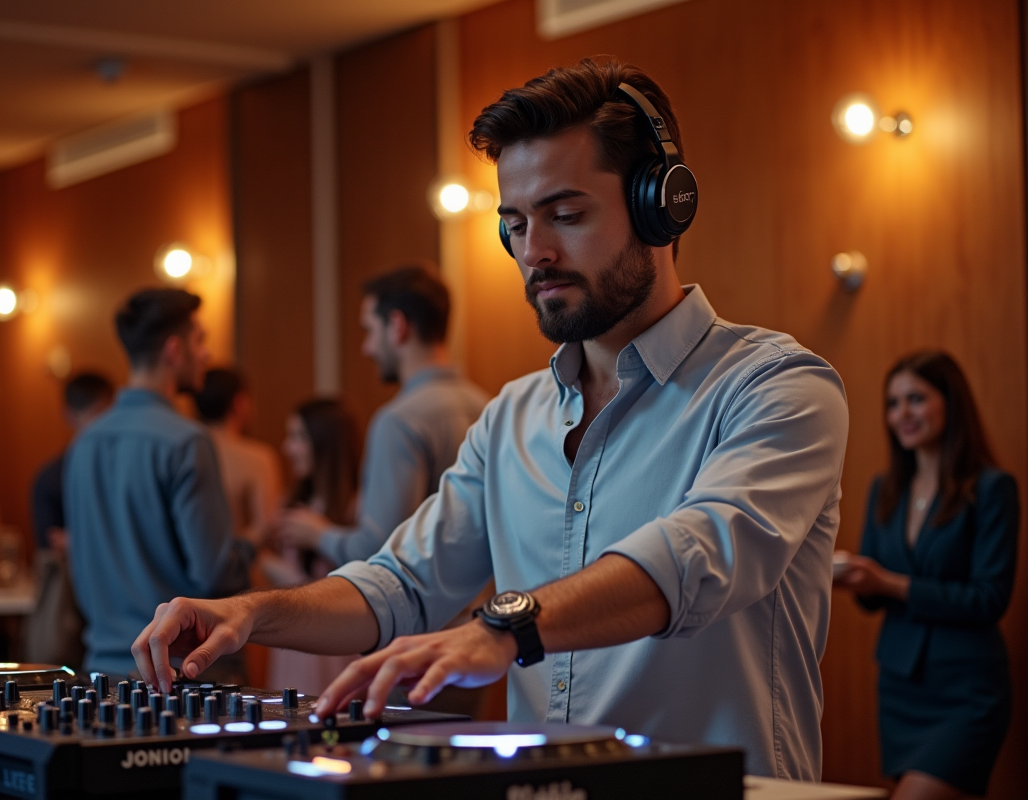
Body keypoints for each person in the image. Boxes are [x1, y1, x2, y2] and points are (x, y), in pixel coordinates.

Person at [131, 60, 849, 779]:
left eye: (566, 215)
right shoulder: (510, 417)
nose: (533, 251)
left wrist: (506, 630)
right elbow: (403, 583)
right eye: (515, 223)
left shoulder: (778, 387)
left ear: (660, 205)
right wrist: (253, 612)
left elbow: (701, 551)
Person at [835, 351, 1016, 800]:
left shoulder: (992, 489)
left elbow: (988, 598)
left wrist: (889, 583)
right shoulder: (886, 488)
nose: (902, 414)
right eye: (893, 403)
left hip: (965, 691)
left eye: (916, 398)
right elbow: (872, 600)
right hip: (900, 684)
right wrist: (853, 578)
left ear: (951, 402)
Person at [66, 288, 252, 677]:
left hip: (102, 668)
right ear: (173, 350)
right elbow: (213, 572)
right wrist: (254, 544)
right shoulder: (186, 440)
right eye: (200, 341)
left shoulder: (84, 443)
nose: (206, 355)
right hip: (182, 673)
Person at [277, 264, 489, 566]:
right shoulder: (488, 406)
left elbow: (381, 550)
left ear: (397, 326)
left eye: (369, 331)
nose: (367, 348)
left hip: (433, 611)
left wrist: (318, 535)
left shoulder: (400, 421)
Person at [266, 399, 362, 693]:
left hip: (338, 644)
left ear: (325, 443)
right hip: (294, 641)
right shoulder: (294, 501)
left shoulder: (358, 507)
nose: (287, 447)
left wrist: (322, 535)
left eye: (298, 437)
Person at [24, 372, 114, 667]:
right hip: (77, 599)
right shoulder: (54, 475)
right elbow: (51, 545)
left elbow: (60, 540)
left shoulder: (54, 473)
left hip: (104, 600)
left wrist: (76, 539)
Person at [194, 368, 282, 547]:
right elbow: (266, 526)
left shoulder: (184, 452)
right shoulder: (257, 458)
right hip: (241, 566)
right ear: (239, 403)